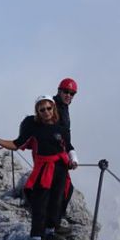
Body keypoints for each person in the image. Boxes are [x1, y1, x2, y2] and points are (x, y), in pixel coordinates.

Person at [0, 95, 73, 240]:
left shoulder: (61, 128)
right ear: (37, 112)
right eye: (42, 109)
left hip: (60, 168)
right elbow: (17, 144)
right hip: (44, 170)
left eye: (49, 108)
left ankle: (50, 235)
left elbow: (67, 147)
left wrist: (72, 161)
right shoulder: (34, 128)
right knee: (40, 205)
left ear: (53, 109)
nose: (46, 112)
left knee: (56, 202)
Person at [53, 78, 79, 230]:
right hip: (53, 155)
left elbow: (66, 137)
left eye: (72, 93)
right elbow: (55, 133)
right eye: (66, 92)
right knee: (63, 189)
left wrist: (72, 156)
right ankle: (52, 226)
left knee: (65, 189)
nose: (69, 95)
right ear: (59, 91)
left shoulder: (63, 107)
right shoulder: (54, 106)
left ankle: (54, 224)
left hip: (60, 154)